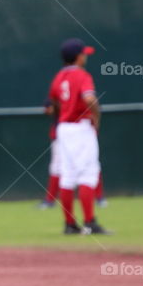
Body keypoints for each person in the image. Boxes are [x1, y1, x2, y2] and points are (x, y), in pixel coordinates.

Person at [47, 38, 110, 235]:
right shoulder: (81, 75)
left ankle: (69, 225)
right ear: (77, 56)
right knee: (88, 173)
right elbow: (90, 98)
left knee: (67, 176)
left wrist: (62, 113)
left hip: (64, 128)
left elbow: (53, 103)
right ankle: (90, 222)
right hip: (80, 127)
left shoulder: (59, 77)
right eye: (84, 54)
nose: (85, 57)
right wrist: (97, 117)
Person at [37, 98, 60, 209]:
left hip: (67, 135)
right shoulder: (58, 92)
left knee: (57, 167)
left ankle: (50, 200)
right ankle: (50, 199)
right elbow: (48, 108)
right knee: (56, 167)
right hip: (60, 135)